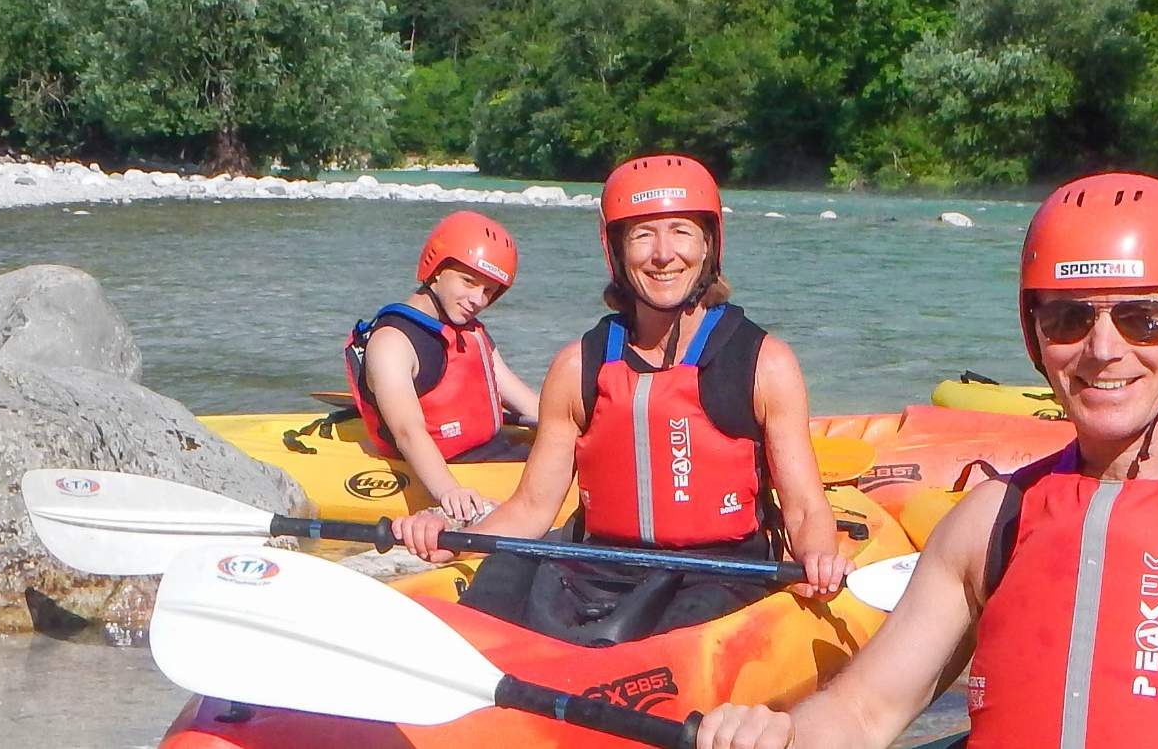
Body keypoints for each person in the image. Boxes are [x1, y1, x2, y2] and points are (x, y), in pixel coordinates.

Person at [693, 174, 1158, 749]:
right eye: (1068, 318)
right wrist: (779, 732)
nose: (1103, 349)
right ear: (1034, 332)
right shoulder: (991, 521)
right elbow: (864, 710)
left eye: (1143, 318)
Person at [390, 155, 853, 644]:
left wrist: (817, 557)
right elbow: (530, 508)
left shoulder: (765, 364)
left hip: (720, 572)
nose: (663, 254)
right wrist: (452, 540)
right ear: (616, 250)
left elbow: (804, 508)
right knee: (503, 574)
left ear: (708, 245)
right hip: (599, 564)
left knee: (680, 631)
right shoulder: (577, 367)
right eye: (642, 235)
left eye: (680, 231)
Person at [345, 210, 543, 522]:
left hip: (492, 451)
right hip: (446, 469)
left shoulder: (470, 332)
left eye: (489, 291)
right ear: (436, 269)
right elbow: (408, 431)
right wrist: (449, 491)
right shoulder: (391, 343)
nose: (478, 299)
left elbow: (523, 400)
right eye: (468, 281)